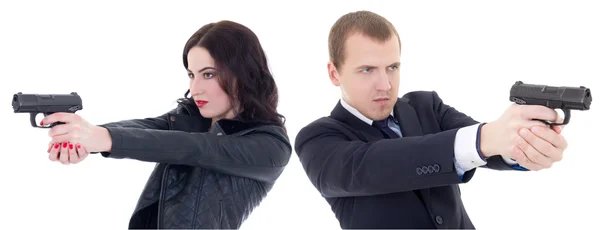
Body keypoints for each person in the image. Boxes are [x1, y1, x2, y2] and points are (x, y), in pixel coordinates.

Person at [294, 11, 569, 229]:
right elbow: (379, 164)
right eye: (367, 70)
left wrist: (525, 141)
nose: (385, 85)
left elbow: (490, 147)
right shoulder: (318, 140)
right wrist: (488, 137)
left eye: (392, 67)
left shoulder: (425, 106)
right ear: (334, 74)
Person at [41, 20, 292, 229]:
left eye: (208, 74)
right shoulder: (191, 118)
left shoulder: (271, 146)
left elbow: (195, 148)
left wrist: (101, 138)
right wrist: (85, 138)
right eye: (191, 75)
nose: (195, 89)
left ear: (242, 74)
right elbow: (146, 128)